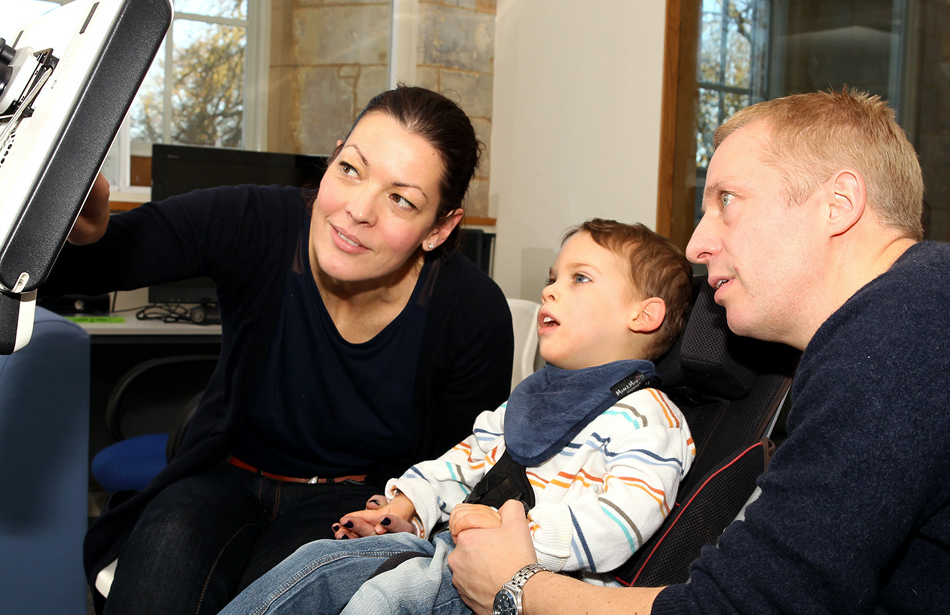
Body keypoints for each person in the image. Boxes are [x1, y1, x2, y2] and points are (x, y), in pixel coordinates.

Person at [446, 88, 950, 615]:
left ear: (838, 203)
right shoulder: (899, 321)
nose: (695, 247)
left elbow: (738, 609)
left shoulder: (900, 334)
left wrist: (516, 587)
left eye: (727, 200)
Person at [43, 85, 515, 614]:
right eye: (351, 170)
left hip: (353, 500)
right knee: (160, 565)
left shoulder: (471, 311)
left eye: (401, 199)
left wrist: (403, 514)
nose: (358, 209)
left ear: (441, 228)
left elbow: (463, 466)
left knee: (277, 598)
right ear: (332, 159)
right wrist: (74, 229)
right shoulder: (257, 221)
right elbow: (87, 265)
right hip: (224, 475)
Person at [217, 218, 696, 615]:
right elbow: (463, 464)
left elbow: (618, 524)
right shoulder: (529, 399)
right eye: (553, 276)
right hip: (452, 551)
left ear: (644, 315)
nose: (550, 290)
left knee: (381, 600)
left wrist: (509, 539)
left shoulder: (649, 418)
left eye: (580, 278)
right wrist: (407, 507)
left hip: (534, 583)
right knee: (317, 561)